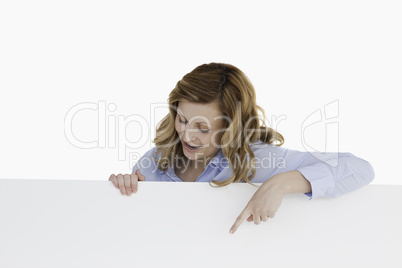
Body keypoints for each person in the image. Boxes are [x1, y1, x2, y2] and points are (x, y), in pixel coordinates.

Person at [108, 62, 375, 234]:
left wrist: (281, 184)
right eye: (183, 120)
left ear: (231, 128)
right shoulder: (153, 161)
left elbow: (359, 168)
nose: (188, 135)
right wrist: (122, 190)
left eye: (203, 128)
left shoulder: (256, 160)